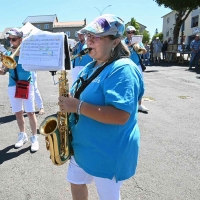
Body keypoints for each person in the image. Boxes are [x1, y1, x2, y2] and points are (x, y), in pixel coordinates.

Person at [58, 14, 144, 200]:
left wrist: (77, 106)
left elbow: (121, 116)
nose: (89, 41)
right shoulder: (90, 66)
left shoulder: (123, 69)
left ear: (115, 41)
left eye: (96, 37)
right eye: (88, 36)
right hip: (82, 147)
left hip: (108, 152)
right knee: (77, 184)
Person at [0, 28, 39, 152]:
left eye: (13, 39)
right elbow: (4, 71)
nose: (11, 41)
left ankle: (34, 137)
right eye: (9, 39)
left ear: (21, 40)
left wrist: (22, 53)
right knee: (18, 112)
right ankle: (22, 135)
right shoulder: (9, 53)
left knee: (30, 112)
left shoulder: (28, 53)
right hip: (13, 85)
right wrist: (1, 71)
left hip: (26, 84)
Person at [124, 25, 149, 112]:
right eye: (129, 32)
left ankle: (140, 104)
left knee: (140, 84)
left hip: (137, 65)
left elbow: (144, 51)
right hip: (127, 65)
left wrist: (139, 47)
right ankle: (127, 103)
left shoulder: (138, 41)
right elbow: (121, 51)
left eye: (133, 32)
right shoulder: (123, 42)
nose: (131, 34)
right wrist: (129, 45)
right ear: (126, 33)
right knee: (127, 84)